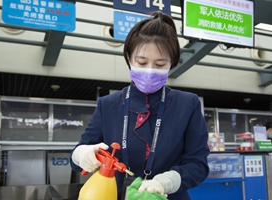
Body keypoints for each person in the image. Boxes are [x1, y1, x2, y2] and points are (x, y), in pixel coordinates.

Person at [70, 11, 210, 200]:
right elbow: (78, 157)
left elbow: (198, 164)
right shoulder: (109, 105)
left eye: (160, 64)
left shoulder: (187, 104)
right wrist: (82, 155)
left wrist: (166, 182)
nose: (149, 70)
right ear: (129, 58)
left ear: (172, 64)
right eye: (141, 62)